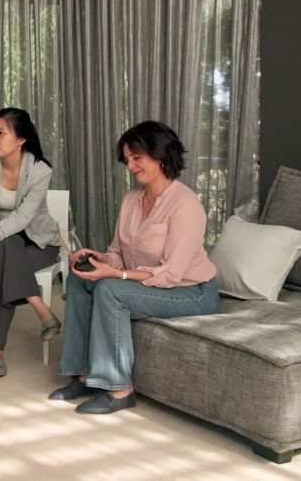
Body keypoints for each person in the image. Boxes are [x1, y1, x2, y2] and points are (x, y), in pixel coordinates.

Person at [50, 120, 219, 414]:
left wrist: (116, 274)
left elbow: (171, 273)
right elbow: (119, 253)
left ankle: (119, 389)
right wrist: (101, 260)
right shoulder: (132, 199)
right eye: (127, 160)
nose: (131, 166)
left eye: (137, 158)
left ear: (161, 154)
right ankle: (82, 375)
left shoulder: (185, 204)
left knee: (111, 289)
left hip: (191, 291)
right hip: (148, 282)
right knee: (81, 280)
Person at [0, 108, 62, 378]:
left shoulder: (40, 169)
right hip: (2, 241)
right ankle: (42, 310)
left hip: (40, 243)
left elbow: (22, 217)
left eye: (2, 133)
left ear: (21, 139)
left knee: (5, 257)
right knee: (6, 247)